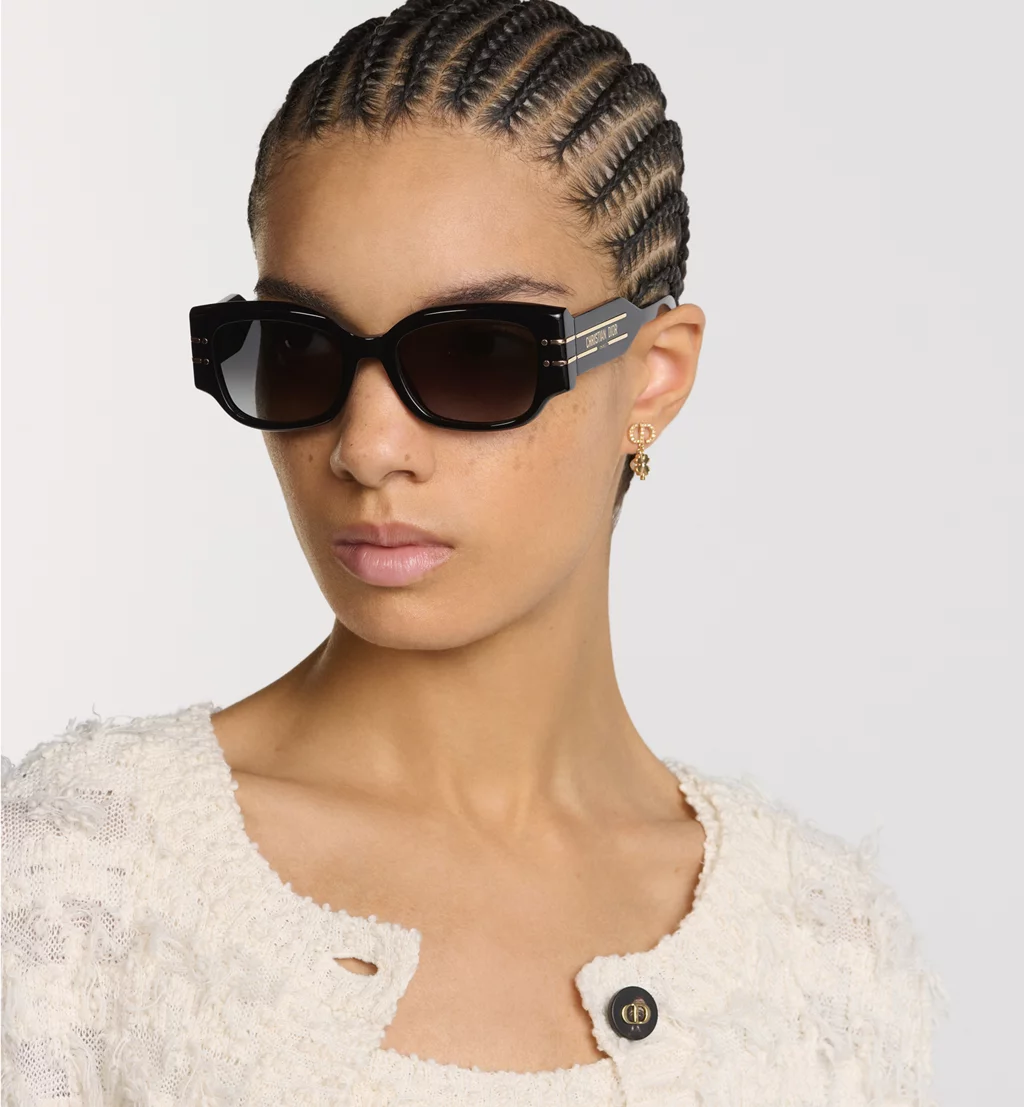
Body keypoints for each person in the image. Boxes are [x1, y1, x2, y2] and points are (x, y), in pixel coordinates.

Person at [1, 2, 947, 1104]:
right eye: (298, 350)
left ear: (652, 378)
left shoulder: (824, 958)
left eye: (477, 356)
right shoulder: (79, 890)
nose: (366, 447)